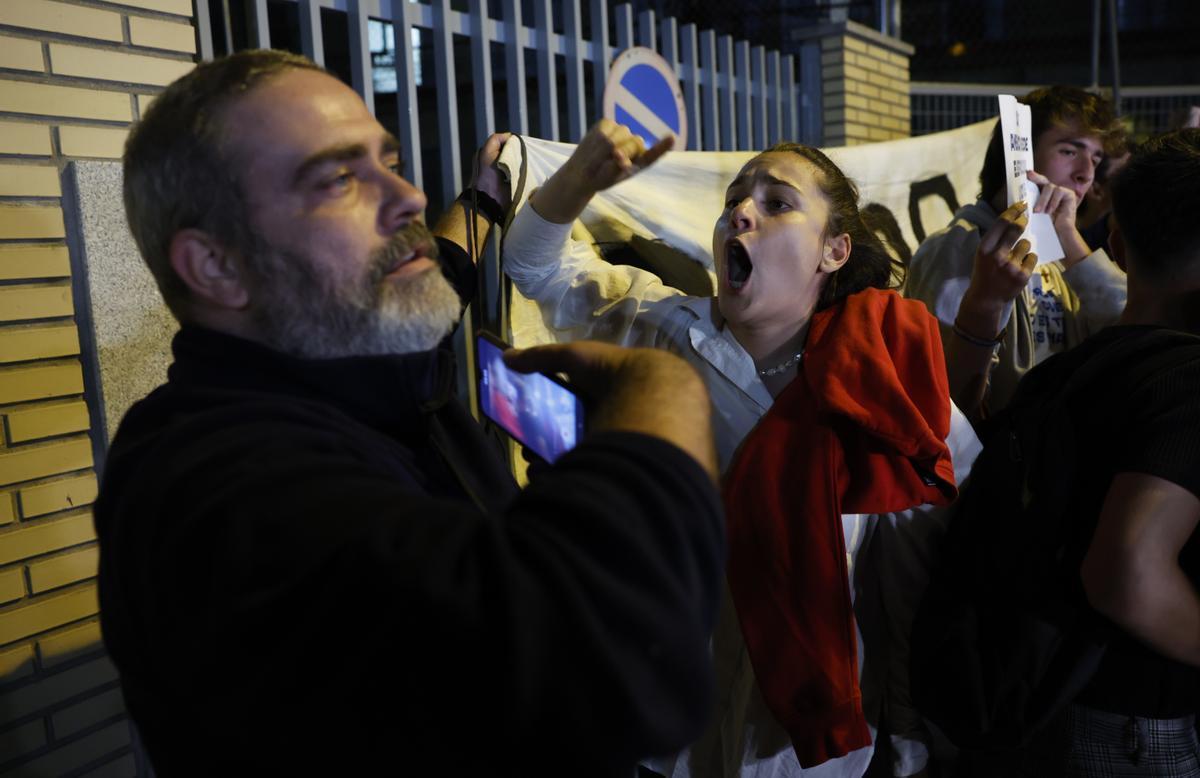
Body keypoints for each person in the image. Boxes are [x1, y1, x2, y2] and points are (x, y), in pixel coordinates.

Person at [95, 49, 726, 776]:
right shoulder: (217, 490)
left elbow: (442, 267)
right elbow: (620, 670)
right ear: (216, 266)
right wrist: (663, 393)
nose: (408, 195)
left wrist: (489, 198)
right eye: (338, 178)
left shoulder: (343, 355)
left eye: (388, 159)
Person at [501, 121, 984, 777]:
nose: (740, 213)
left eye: (777, 202)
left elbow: (913, 588)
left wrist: (907, 736)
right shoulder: (657, 326)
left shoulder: (891, 391)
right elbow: (533, 262)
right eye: (734, 200)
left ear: (833, 251)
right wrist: (576, 181)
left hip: (801, 752)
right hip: (657, 730)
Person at [987, 129, 1200, 775]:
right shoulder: (1188, 379)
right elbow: (1127, 573)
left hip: (1050, 698)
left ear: (1115, 243)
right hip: (1143, 725)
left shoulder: (1059, 373)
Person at [905, 86, 1128, 419]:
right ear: (1018, 155)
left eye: (1096, 159)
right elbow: (943, 400)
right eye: (1069, 151)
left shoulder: (1058, 250)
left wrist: (1067, 234)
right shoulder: (955, 249)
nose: (1087, 173)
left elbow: (1128, 327)